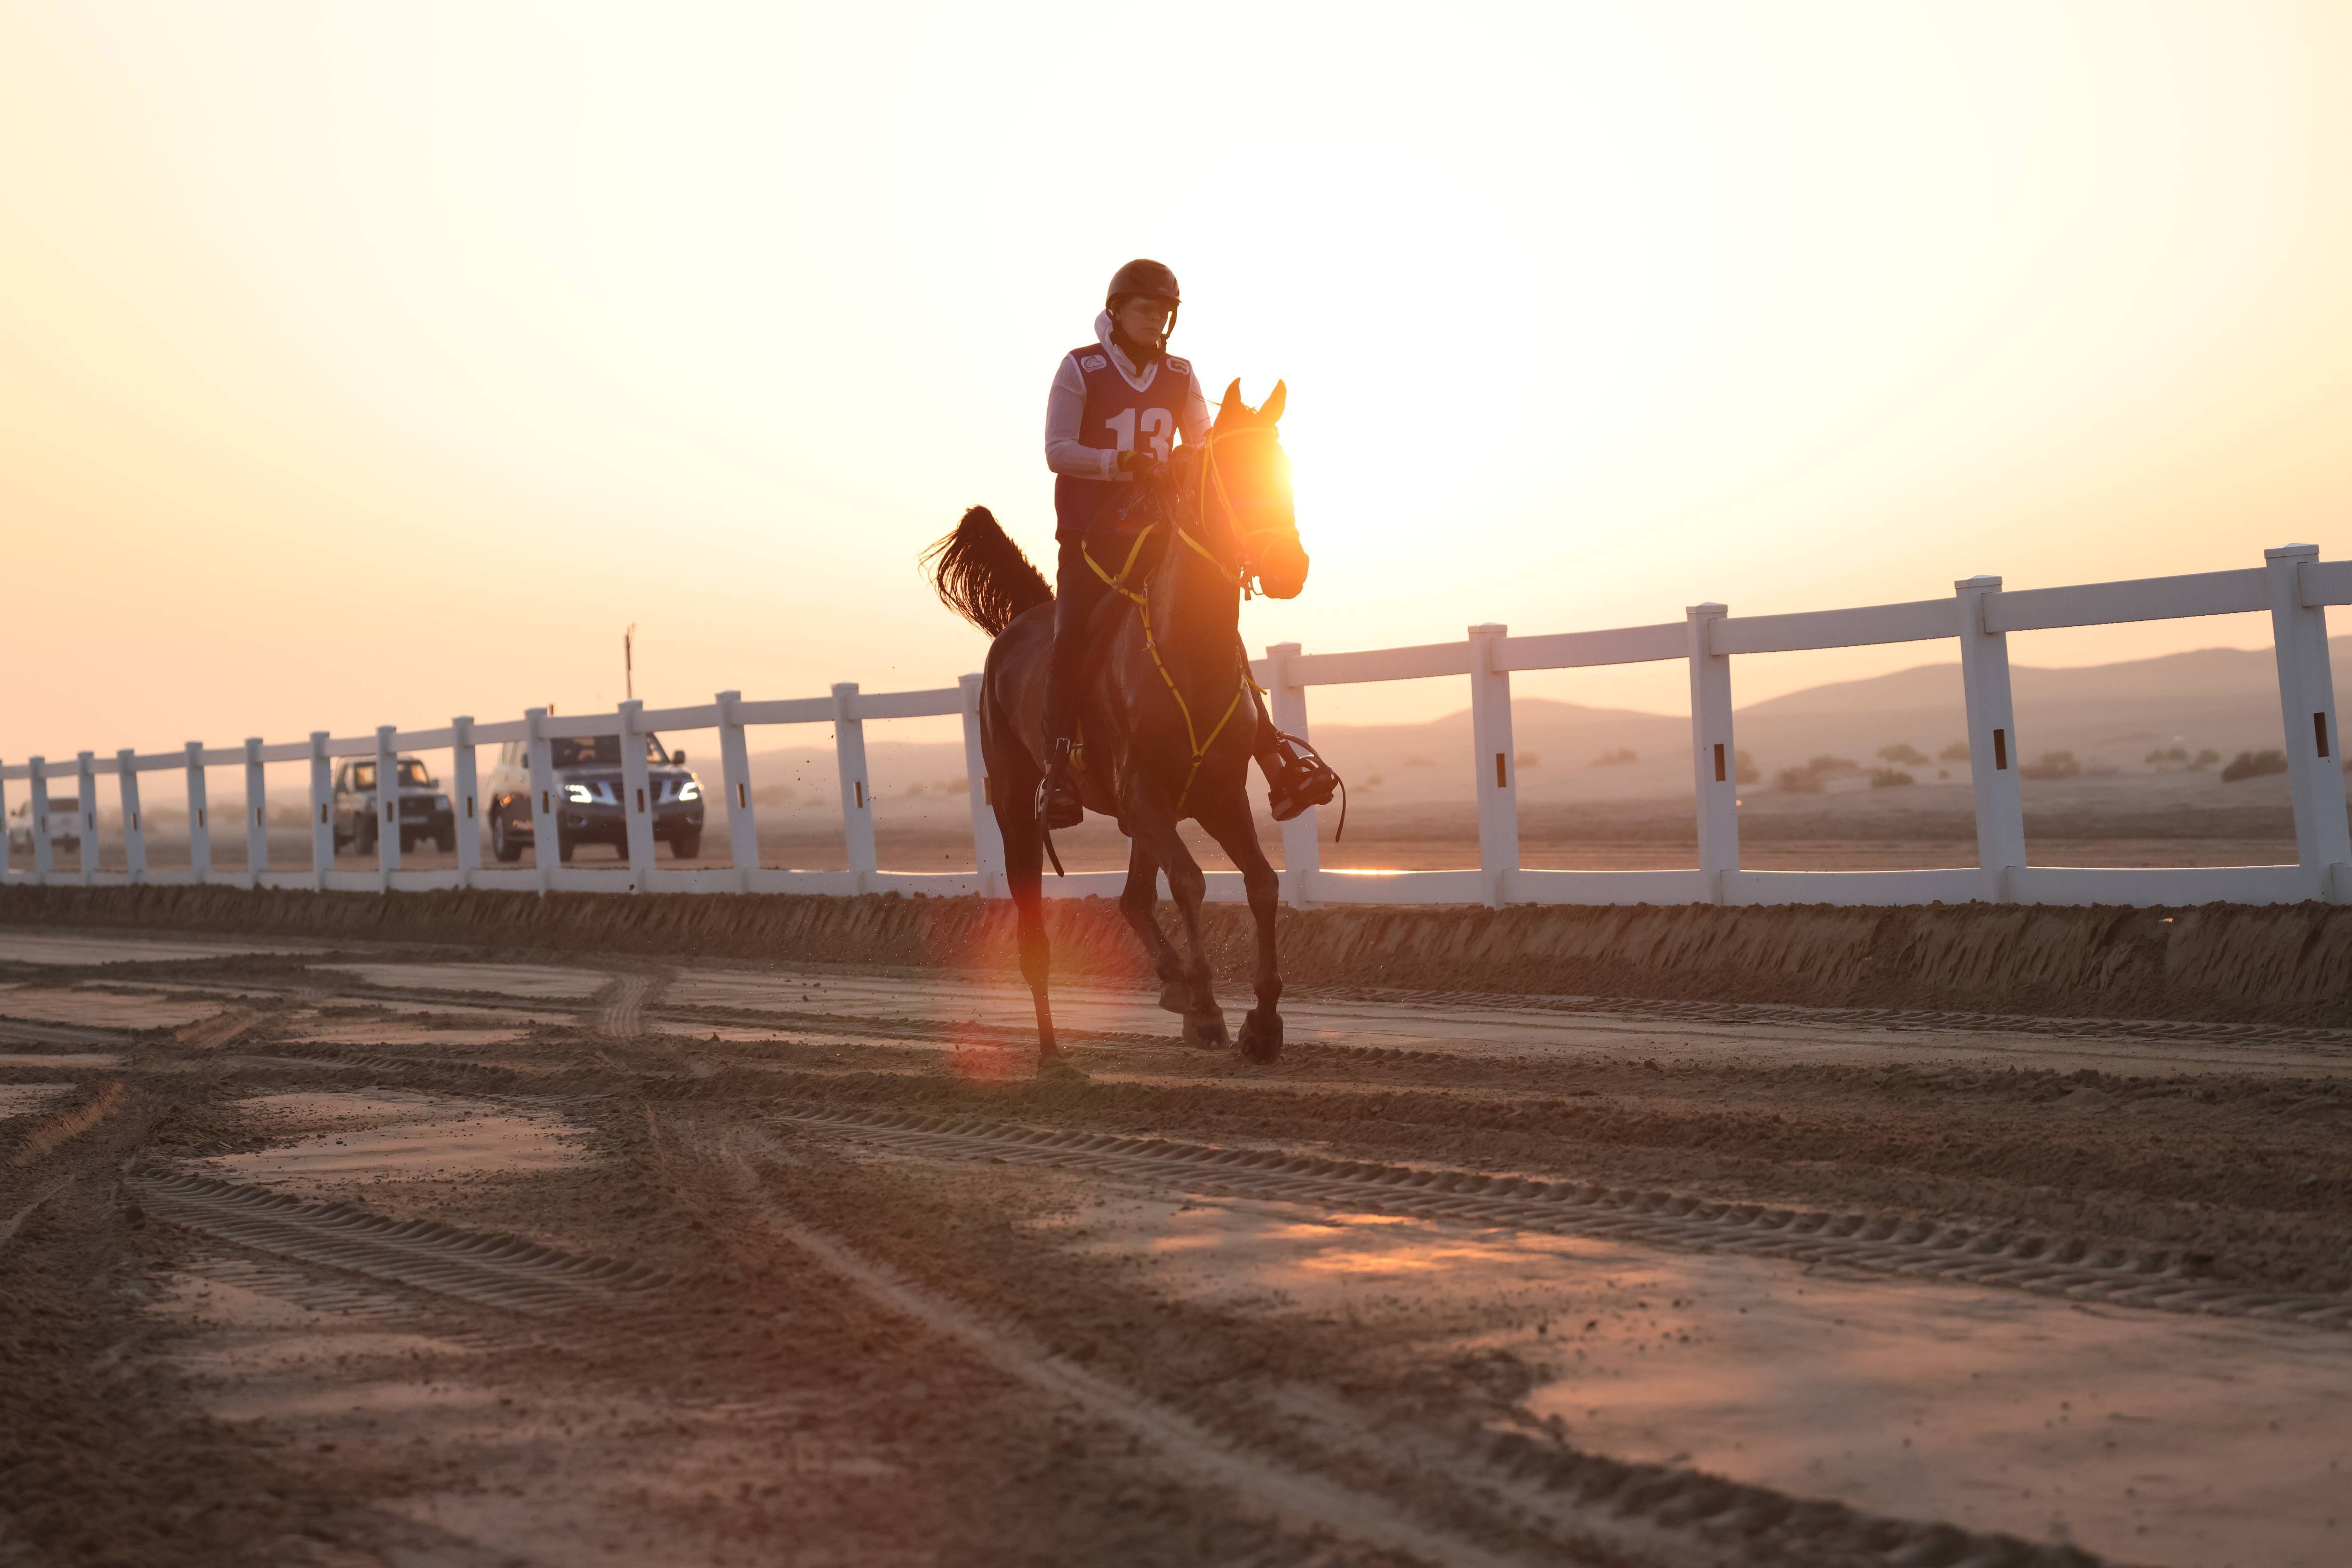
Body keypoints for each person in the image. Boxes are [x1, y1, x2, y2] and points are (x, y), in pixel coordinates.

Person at [1039, 258, 1340, 831]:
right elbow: (1057, 449)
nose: (1156, 320)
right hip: (1093, 538)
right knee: (1071, 634)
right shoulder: (1081, 367)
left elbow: (1201, 446)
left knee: (1214, 627)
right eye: (1144, 310)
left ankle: (1275, 758)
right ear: (1117, 311)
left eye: (1163, 312)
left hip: (1158, 534)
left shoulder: (1180, 374)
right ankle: (1056, 767)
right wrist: (1116, 462)